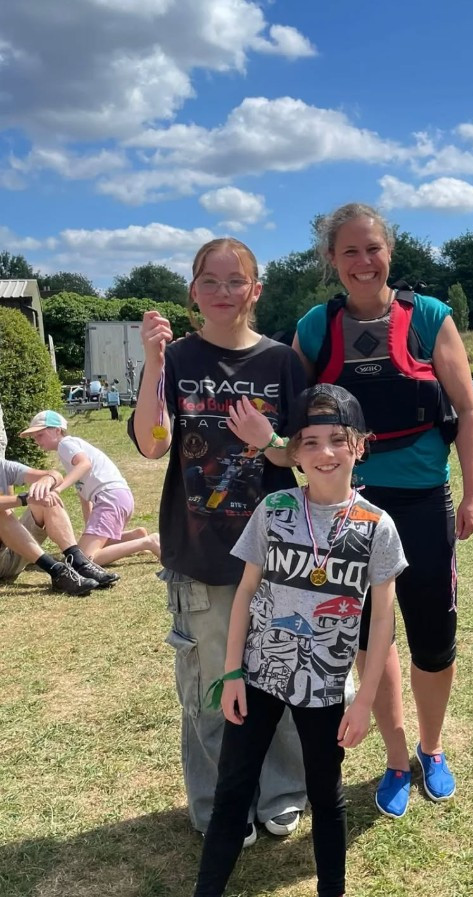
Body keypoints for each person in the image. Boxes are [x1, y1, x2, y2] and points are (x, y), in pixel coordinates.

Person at [288, 203, 473, 819]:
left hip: (423, 500)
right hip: (352, 506)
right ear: (332, 261)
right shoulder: (315, 329)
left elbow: (469, 409)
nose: (363, 261)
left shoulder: (429, 317)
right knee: (372, 642)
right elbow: (295, 418)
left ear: (389, 252)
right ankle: (397, 758)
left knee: (432, 637)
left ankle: (432, 747)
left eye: (372, 248)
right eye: (349, 251)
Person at [193, 384, 406, 897]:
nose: (325, 453)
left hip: (326, 687)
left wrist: (363, 702)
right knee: (231, 790)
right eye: (309, 442)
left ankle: (332, 888)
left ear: (360, 445)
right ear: (294, 453)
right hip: (259, 676)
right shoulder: (274, 508)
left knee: (325, 794)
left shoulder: (377, 527)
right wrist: (231, 673)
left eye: (337, 439)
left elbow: (381, 624)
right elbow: (245, 593)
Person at [129, 237, 308, 846]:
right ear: (193, 292)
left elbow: (305, 458)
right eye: (211, 281)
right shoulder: (177, 359)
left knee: (278, 678)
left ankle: (283, 792)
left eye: (238, 282)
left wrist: (266, 440)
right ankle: (219, 803)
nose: (224, 293)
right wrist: (153, 363)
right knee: (210, 686)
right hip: (200, 557)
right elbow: (153, 443)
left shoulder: (283, 363)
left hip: (278, 552)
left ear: (256, 291)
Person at [21, 410, 159, 567]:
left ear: (57, 430)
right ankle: (136, 537)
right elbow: (84, 495)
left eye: (40, 435)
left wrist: (57, 490)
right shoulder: (68, 449)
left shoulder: (65, 444)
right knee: (84, 550)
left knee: (85, 559)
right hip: (117, 498)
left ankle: (149, 542)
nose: (36, 441)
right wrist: (89, 525)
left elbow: (85, 464)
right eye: (34, 437)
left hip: (110, 499)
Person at [0, 455, 114, 594]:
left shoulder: (3, 467)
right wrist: (24, 499)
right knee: (2, 513)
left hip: (10, 552)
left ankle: (79, 562)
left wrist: (48, 480)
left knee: (48, 498)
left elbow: (55, 475)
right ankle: (57, 571)